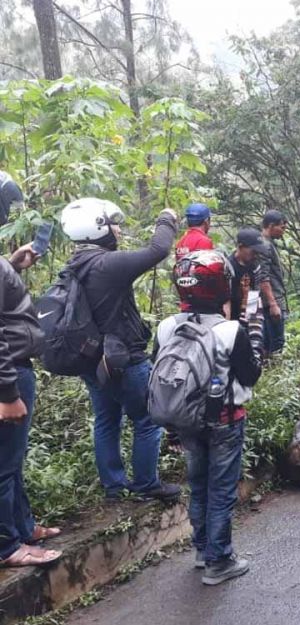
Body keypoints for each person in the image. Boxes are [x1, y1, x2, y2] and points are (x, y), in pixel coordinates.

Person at [60, 198, 181, 501]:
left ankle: (114, 486)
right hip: (124, 358)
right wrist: (166, 218)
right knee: (147, 419)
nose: (117, 229)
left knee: (106, 420)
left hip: (94, 359)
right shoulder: (106, 264)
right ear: (96, 227)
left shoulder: (76, 265)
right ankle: (146, 485)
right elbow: (158, 250)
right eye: (112, 223)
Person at [155, 250, 264, 585]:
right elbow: (250, 376)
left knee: (198, 485)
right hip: (226, 420)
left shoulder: (166, 327)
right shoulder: (231, 330)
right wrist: (255, 333)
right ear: (220, 286)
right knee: (221, 490)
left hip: (186, 420)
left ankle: (203, 551)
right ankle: (220, 560)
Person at [0, 181, 63, 568]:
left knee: (14, 458)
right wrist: (8, 392)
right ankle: (8, 546)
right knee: (4, 464)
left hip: (17, 369)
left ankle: (24, 526)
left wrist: (11, 262)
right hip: (10, 373)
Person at [259, 210, 289, 356]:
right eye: (282, 228)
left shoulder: (267, 243)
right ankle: (274, 370)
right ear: (271, 226)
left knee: (268, 340)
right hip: (272, 300)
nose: (283, 232)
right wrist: (273, 304)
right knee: (276, 341)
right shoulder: (264, 245)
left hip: (272, 299)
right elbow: (263, 277)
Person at [227, 228, 270, 322]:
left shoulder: (255, 266)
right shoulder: (228, 267)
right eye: (253, 251)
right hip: (230, 318)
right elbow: (225, 300)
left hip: (248, 313)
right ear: (240, 247)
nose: (255, 255)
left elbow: (254, 295)